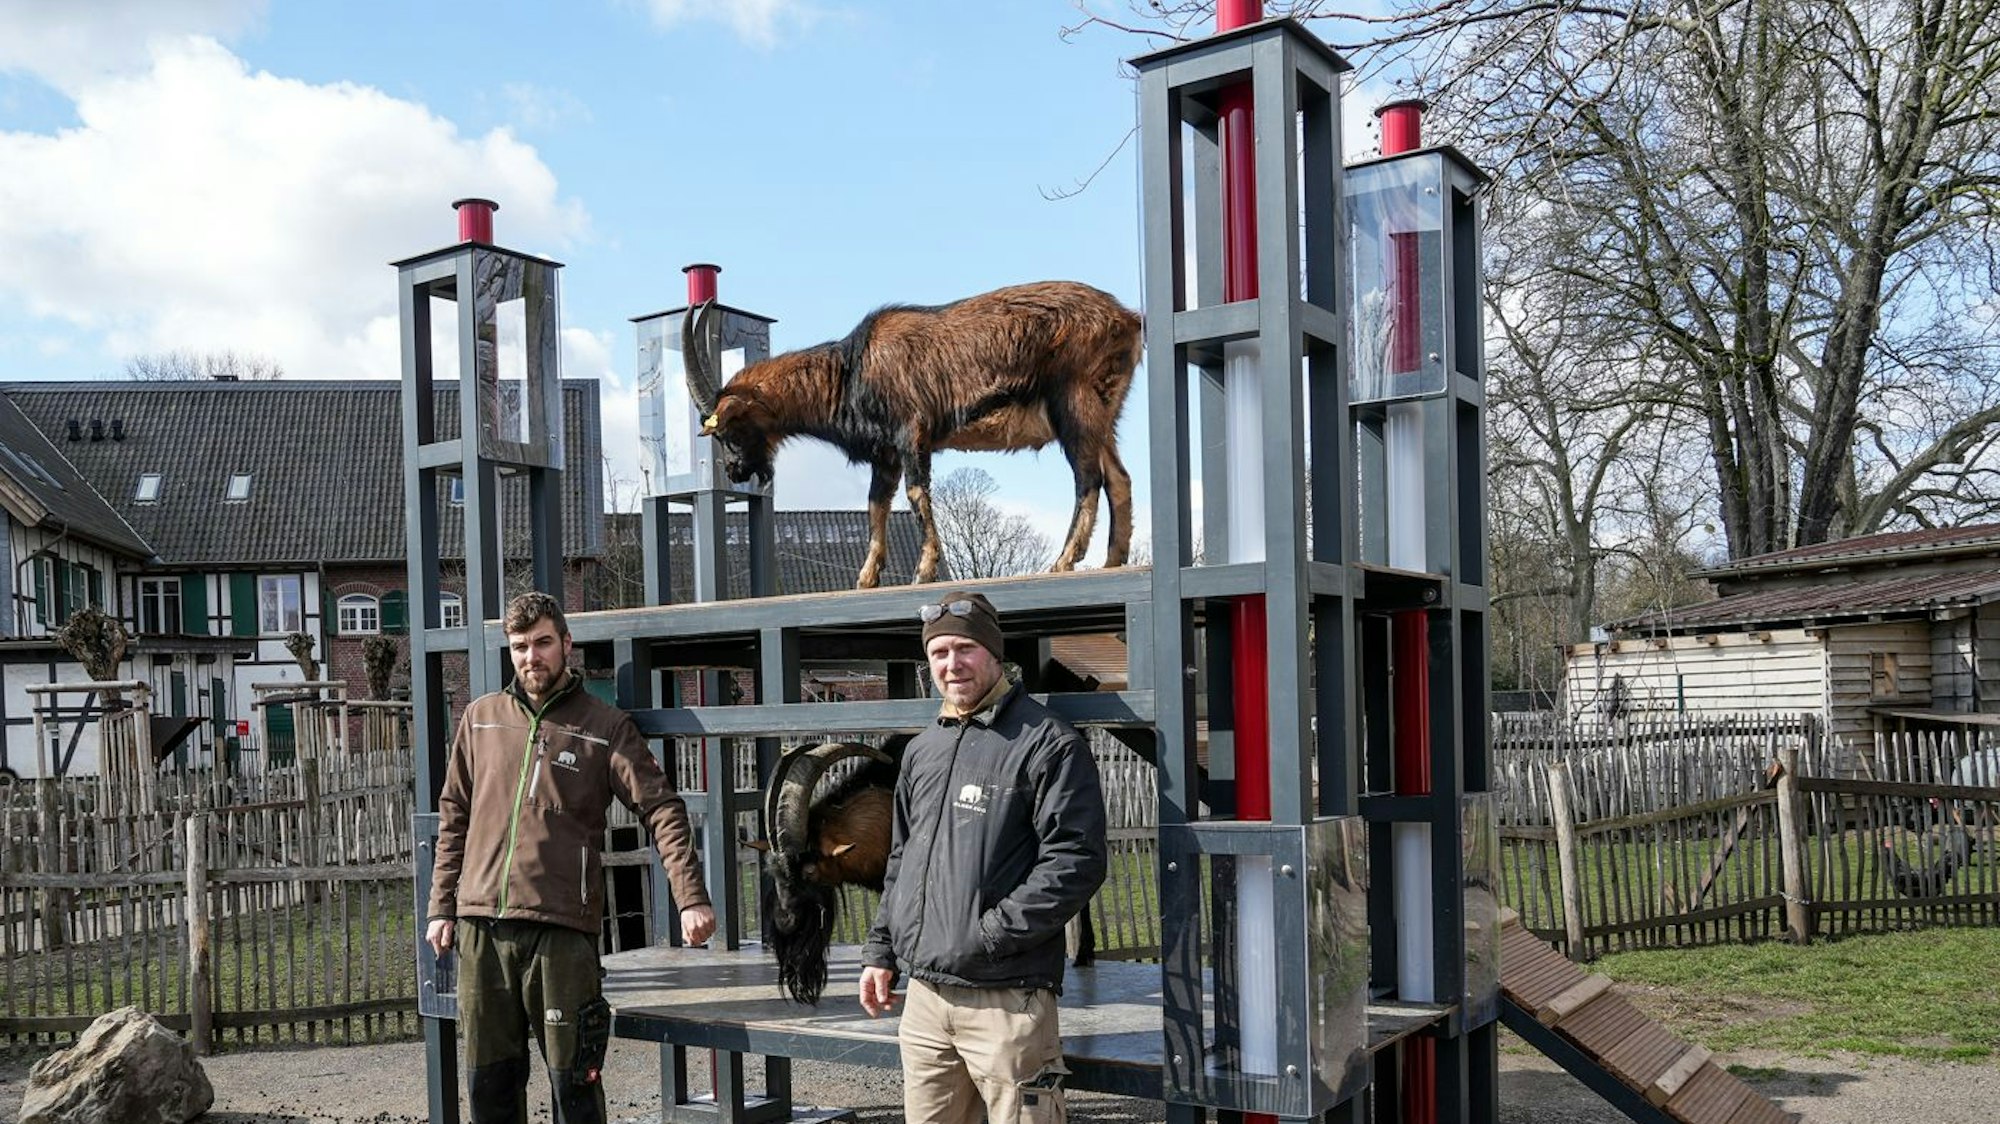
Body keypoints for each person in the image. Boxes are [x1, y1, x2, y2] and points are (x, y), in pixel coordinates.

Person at [425, 591, 715, 1124]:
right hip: (481, 929)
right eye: (519, 647)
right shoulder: (481, 719)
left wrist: (689, 896)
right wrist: (442, 906)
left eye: (541, 643)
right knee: (490, 1089)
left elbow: (662, 808)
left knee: (574, 1091)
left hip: (562, 933)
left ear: (566, 645)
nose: (531, 657)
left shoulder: (604, 727)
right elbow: (453, 817)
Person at [859, 590, 1108, 1124]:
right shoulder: (923, 750)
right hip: (925, 1000)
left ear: (995, 654)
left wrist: (990, 936)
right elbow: (902, 858)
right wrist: (881, 952)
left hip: (1007, 1000)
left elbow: (1076, 860)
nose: (952, 665)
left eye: (965, 649)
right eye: (939, 653)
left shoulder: (1048, 744)